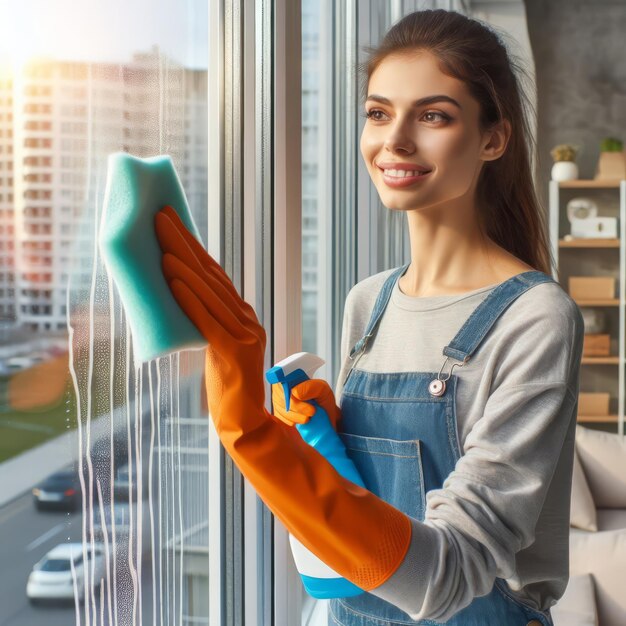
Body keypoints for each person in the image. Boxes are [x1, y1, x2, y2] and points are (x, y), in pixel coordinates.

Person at [154, 8, 584, 626]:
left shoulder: (536, 317)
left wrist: (251, 434)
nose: (395, 141)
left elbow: (449, 576)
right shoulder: (369, 303)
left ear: (494, 139)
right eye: (379, 113)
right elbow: (351, 553)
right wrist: (321, 444)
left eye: (433, 115)